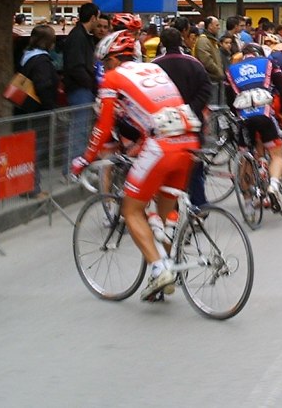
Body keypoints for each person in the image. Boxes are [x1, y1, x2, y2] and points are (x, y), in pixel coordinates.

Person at [69, 30, 201, 301]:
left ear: (113, 59)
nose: (104, 69)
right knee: (162, 217)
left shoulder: (113, 77)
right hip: (188, 141)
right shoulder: (154, 70)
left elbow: (104, 125)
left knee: (131, 210)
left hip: (161, 146)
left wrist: (85, 159)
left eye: (105, 63)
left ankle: (159, 269)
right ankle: (164, 275)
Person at [152, 27, 213, 208]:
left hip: (165, 123)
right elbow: (206, 89)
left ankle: (172, 209)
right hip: (192, 124)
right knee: (194, 165)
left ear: (162, 43)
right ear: (181, 41)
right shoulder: (194, 63)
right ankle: (199, 205)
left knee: (168, 168)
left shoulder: (154, 66)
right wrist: (192, 109)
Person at [228, 43, 282, 213]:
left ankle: (248, 203)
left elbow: (230, 99)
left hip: (244, 117)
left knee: (245, 158)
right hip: (264, 114)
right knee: (277, 154)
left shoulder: (231, 69)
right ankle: (273, 186)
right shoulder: (268, 63)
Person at [14, 24, 61, 197]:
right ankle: (31, 189)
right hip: (38, 112)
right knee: (35, 150)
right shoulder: (42, 62)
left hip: (26, 110)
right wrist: (50, 107)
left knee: (28, 149)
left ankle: (26, 187)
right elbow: (43, 86)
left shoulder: (26, 57)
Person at [62, 2, 100, 163]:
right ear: (93, 18)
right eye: (98, 18)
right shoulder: (78, 37)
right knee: (79, 129)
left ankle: (76, 164)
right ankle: (72, 166)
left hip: (82, 88)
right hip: (80, 89)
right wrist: (90, 84)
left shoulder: (81, 36)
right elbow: (76, 67)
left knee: (82, 129)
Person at [193, 15, 225, 87]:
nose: (219, 27)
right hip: (210, 79)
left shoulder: (212, 40)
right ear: (210, 26)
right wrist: (219, 72)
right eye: (217, 25)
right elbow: (207, 61)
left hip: (216, 78)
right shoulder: (203, 40)